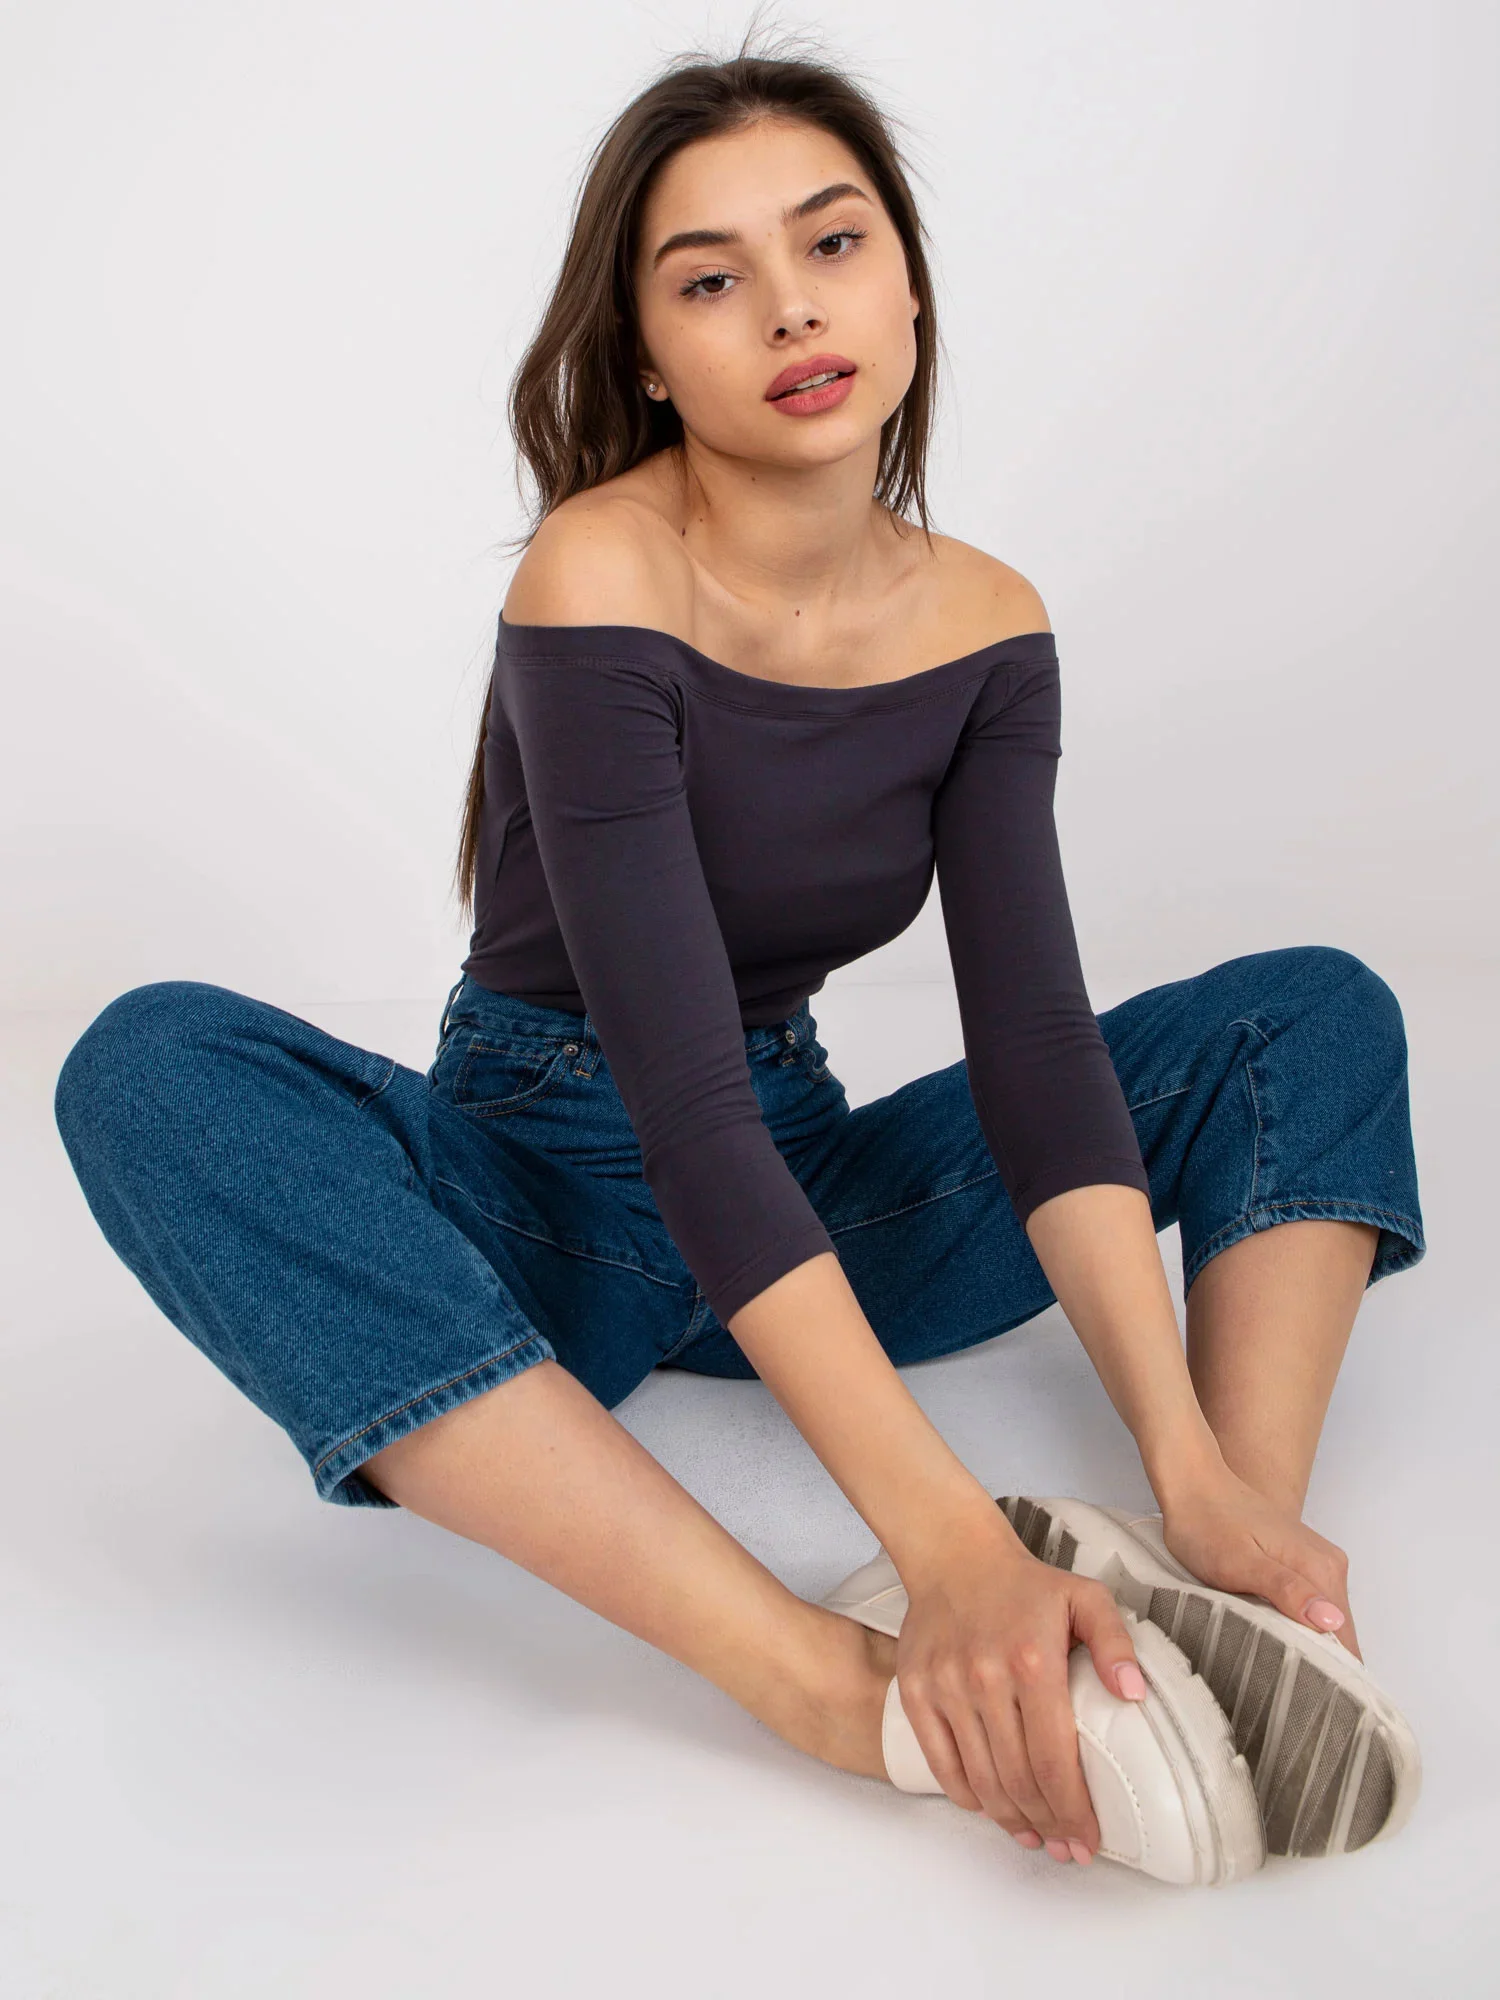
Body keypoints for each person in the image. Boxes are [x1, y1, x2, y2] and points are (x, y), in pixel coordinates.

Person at [52, 35, 1425, 1875]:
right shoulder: (598, 572)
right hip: (541, 1197)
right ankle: (822, 1684)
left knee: (1313, 1014)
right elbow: (681, 1103)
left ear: (909, 283)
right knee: (148, 1066)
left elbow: (1036, 1056)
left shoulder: (988, 624)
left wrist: (1181, 1466)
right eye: (712, 280)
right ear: (646, 355)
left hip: (805, 1188)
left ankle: (1232, 1581)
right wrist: (948, 1546)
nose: (791, 307)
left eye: (833, 244)